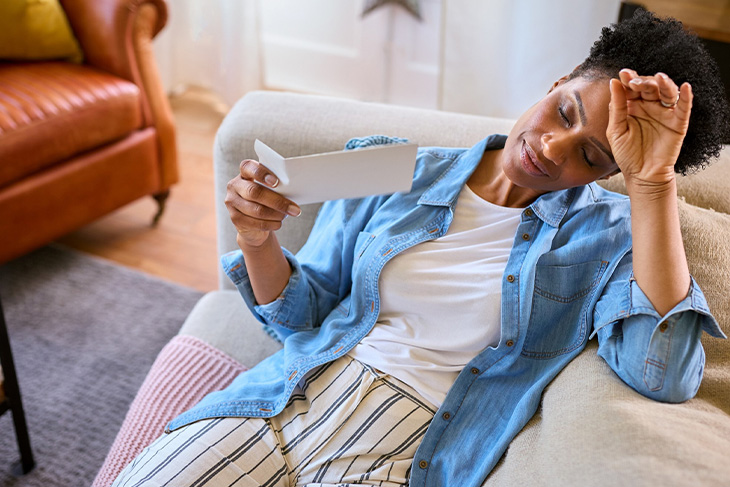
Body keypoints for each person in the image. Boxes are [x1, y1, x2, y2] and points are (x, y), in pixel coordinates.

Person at [113, 10, 729, 487]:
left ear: (607, 172)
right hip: (286, 401)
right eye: (563, 111)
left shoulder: (611, 237)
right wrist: (256, 240)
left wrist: (652, 185)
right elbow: (301, 318)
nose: (553, 147)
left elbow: (663, 374)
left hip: (406, 450)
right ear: (557, 82)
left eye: (592, 156)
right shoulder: (393, 167)